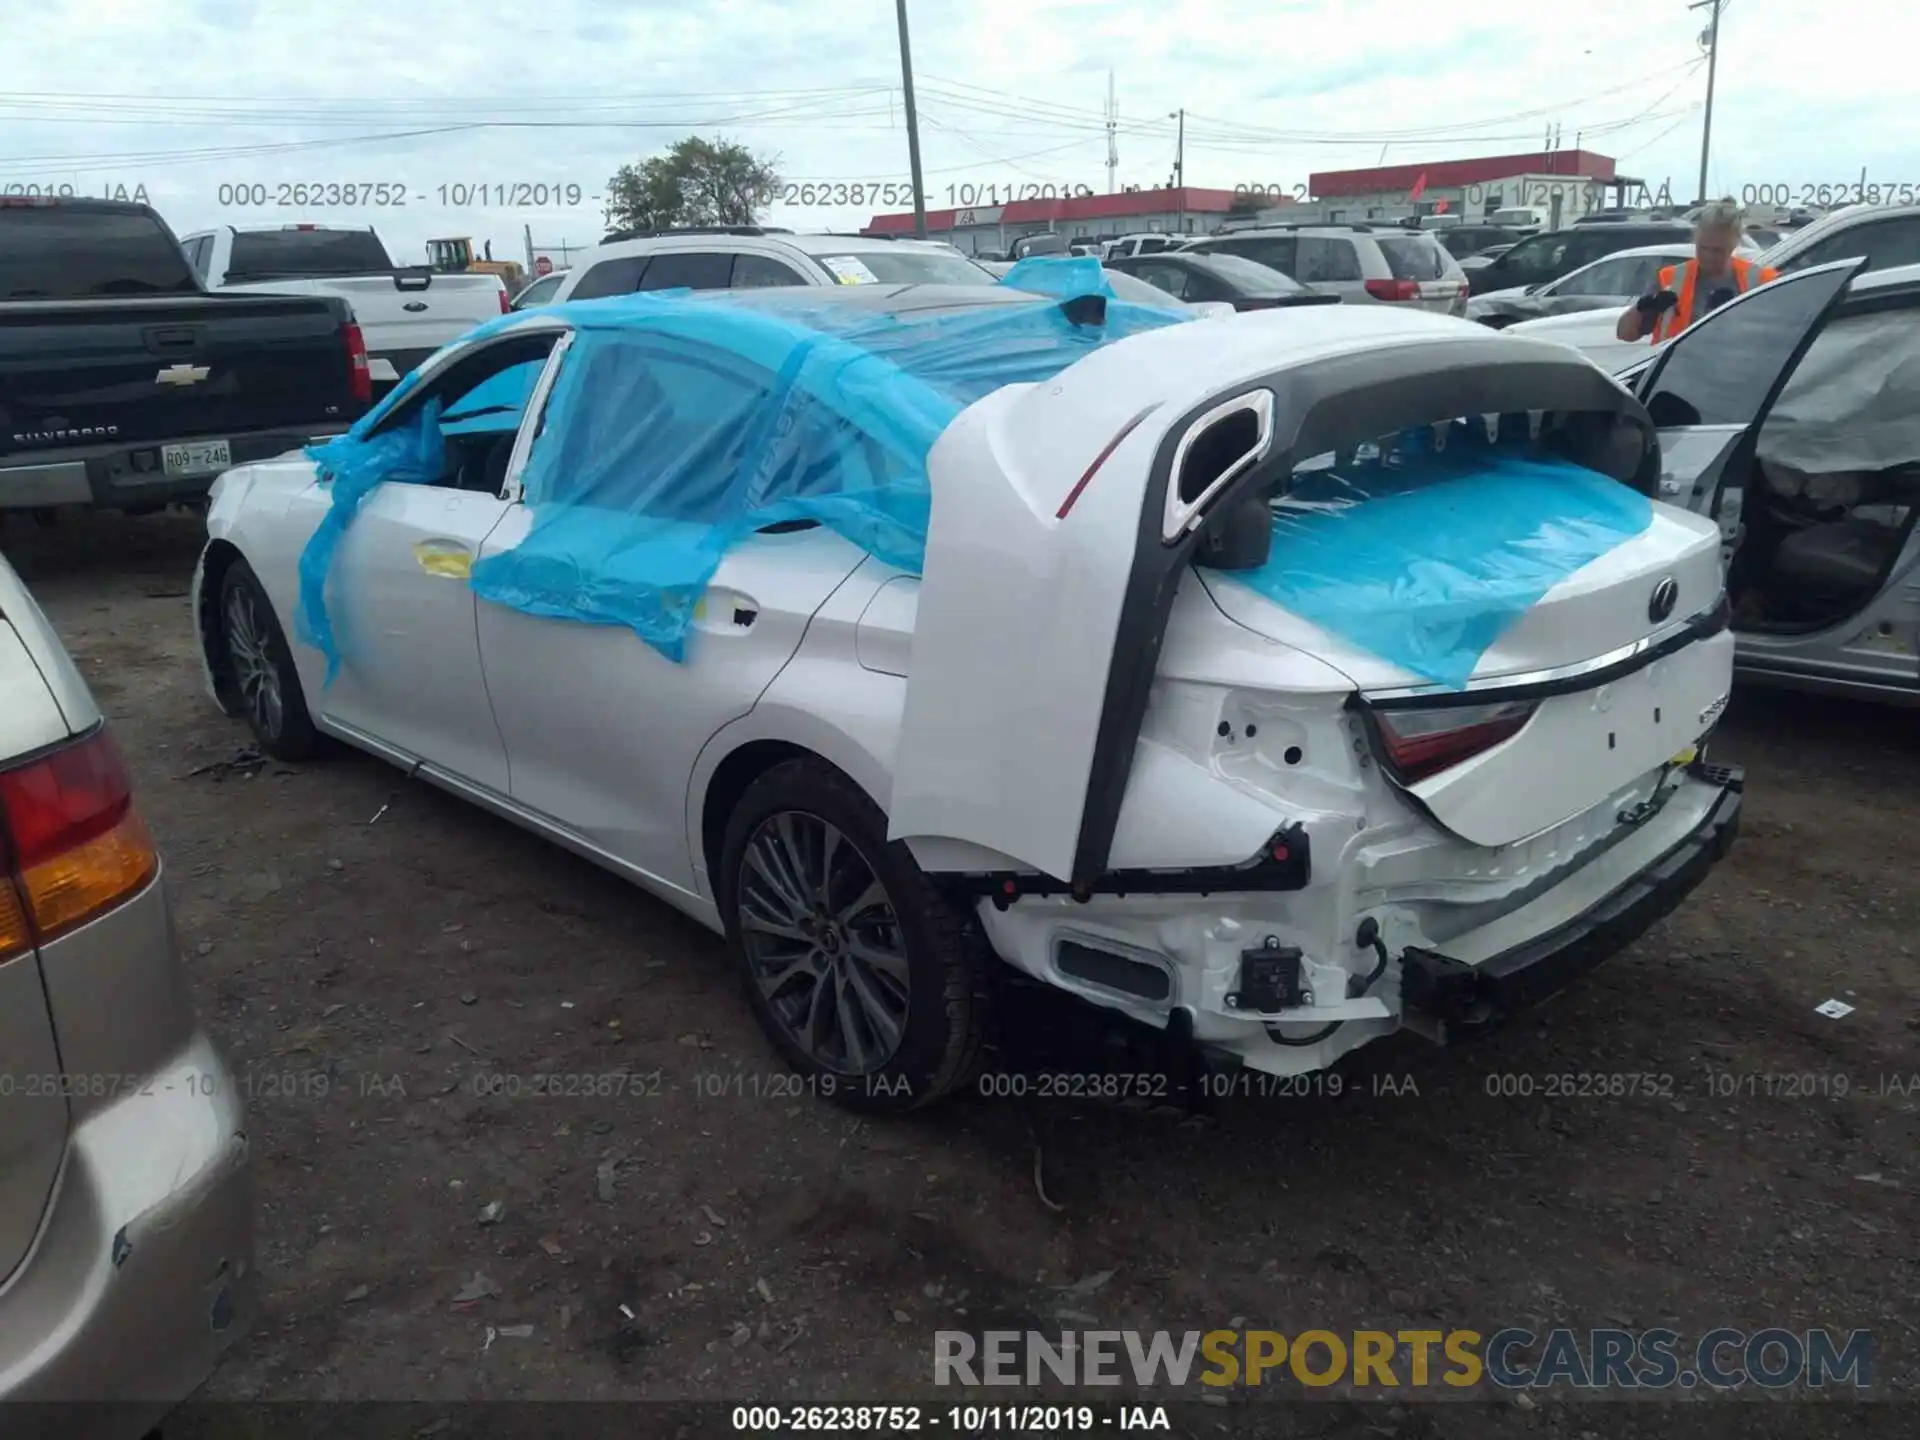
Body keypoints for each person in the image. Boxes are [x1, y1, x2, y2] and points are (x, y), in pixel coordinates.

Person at [1615, 199, 1781, 344]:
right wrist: (1645, 307)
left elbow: (1781, 336)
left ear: (1734, 245)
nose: (1708, 256)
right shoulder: (1671, 279)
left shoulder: (1761, 281)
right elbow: (1624, 334)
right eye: (1703, 248)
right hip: (1674, 374)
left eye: (1718, 250)